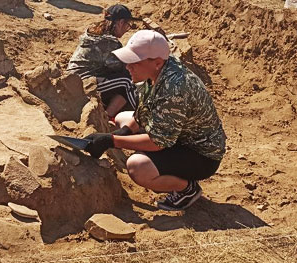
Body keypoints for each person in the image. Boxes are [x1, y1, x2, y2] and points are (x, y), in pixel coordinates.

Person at [84, 30, 226, 211]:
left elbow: (157, 142)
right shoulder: (159, 70)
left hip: (201, 154)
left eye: (134, 62)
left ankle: (186, 189)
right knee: (123, 118)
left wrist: (111, 141)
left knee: (137, 167)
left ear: (157, 62)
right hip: (179, 136)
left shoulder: (174, 88)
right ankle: (165, 167)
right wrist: (125, 132)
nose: (128, 67)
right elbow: (144, 109)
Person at [67, 4, 142, 118]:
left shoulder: (97, 34)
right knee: (127, 82)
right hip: (82, 83)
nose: (127, 30)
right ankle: (137, 118)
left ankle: (108, 114)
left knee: (121, 80)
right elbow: (123, 67)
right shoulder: (109, 42)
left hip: (75, 79)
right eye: (127, 25)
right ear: (120, 23)